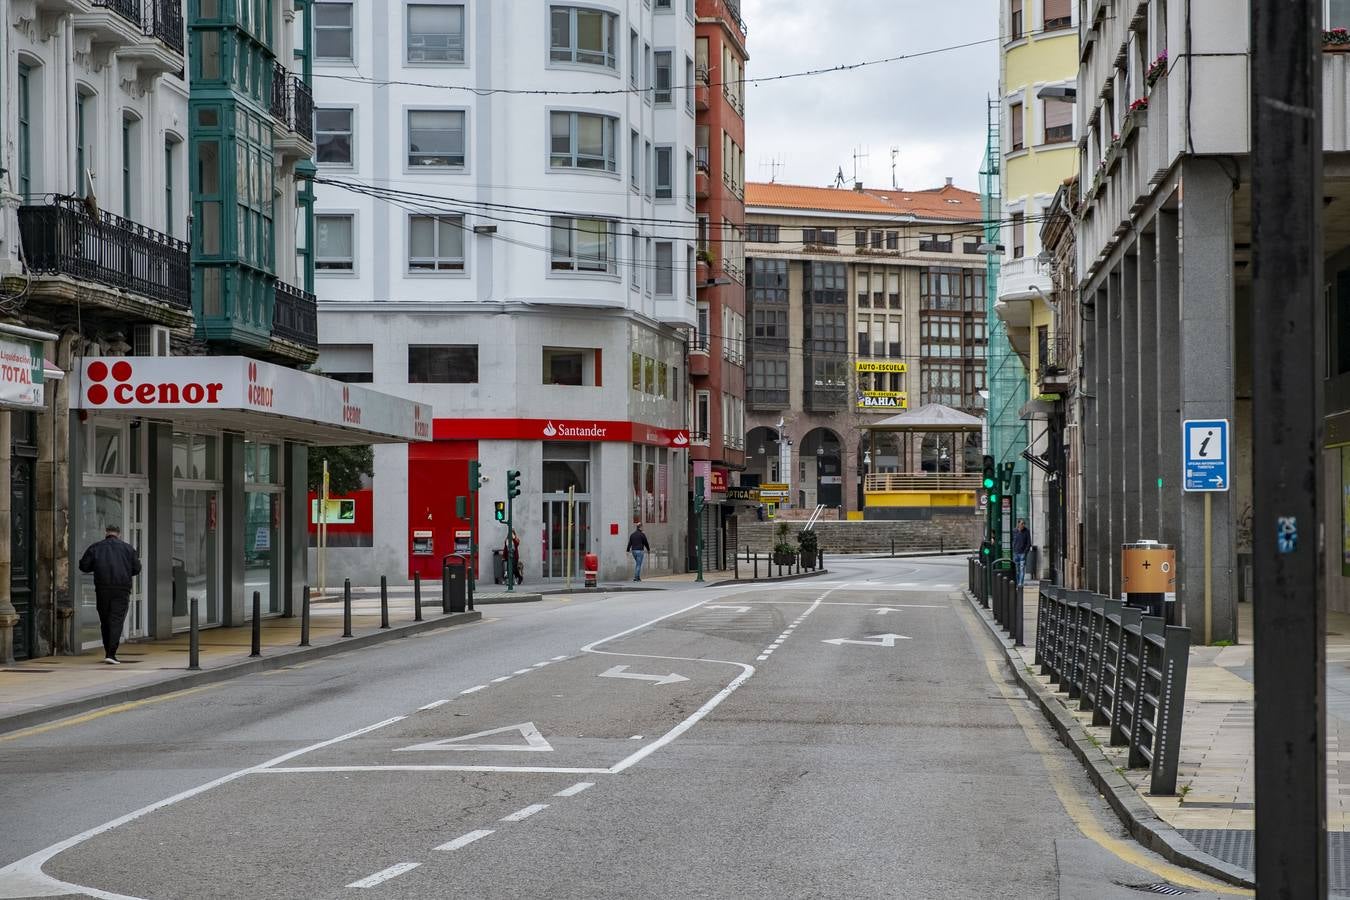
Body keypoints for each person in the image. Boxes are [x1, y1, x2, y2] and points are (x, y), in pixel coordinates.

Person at [78, 524, 141, 665]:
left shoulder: (96, 547)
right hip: (121, 589)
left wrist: (98, 566)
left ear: (105, 532)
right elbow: (137, 569)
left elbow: (84, 566)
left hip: (102, 589)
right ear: (119, 534)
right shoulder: (128, 549)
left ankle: (108, 652)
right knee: (116, 620)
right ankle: (111, 653)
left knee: (105, 621)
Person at [1011, 519, 1032, 587]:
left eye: (1023, 523)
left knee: (1022, 569)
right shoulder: (1014, 531)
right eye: (1021, 523)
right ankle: (1017, 583)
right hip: (1016, 553)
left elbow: (1029, 543)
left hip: (1022, 553)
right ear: (1018, 524)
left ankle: (1020, 583)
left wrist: (1025, 551)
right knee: (1017, 569)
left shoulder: (1026, 531)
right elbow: (1012, 540)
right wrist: (1013, 548)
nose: (1023, 525)